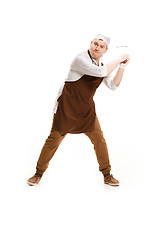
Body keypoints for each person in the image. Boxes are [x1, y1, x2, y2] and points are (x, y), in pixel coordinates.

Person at [27, 34, 130, 187]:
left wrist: (122, 66)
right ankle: (38, 173)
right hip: (67, 108)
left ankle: (107, 175)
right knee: (53, 141)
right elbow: (101, 73)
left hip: (86, 110)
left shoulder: (102, 64)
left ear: (105, 50)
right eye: (95, 43)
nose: (97, 47)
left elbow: (113, 86)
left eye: (101, 46)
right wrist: (119, 59)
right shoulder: (79, 59)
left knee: (99, 140)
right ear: (91, 43)